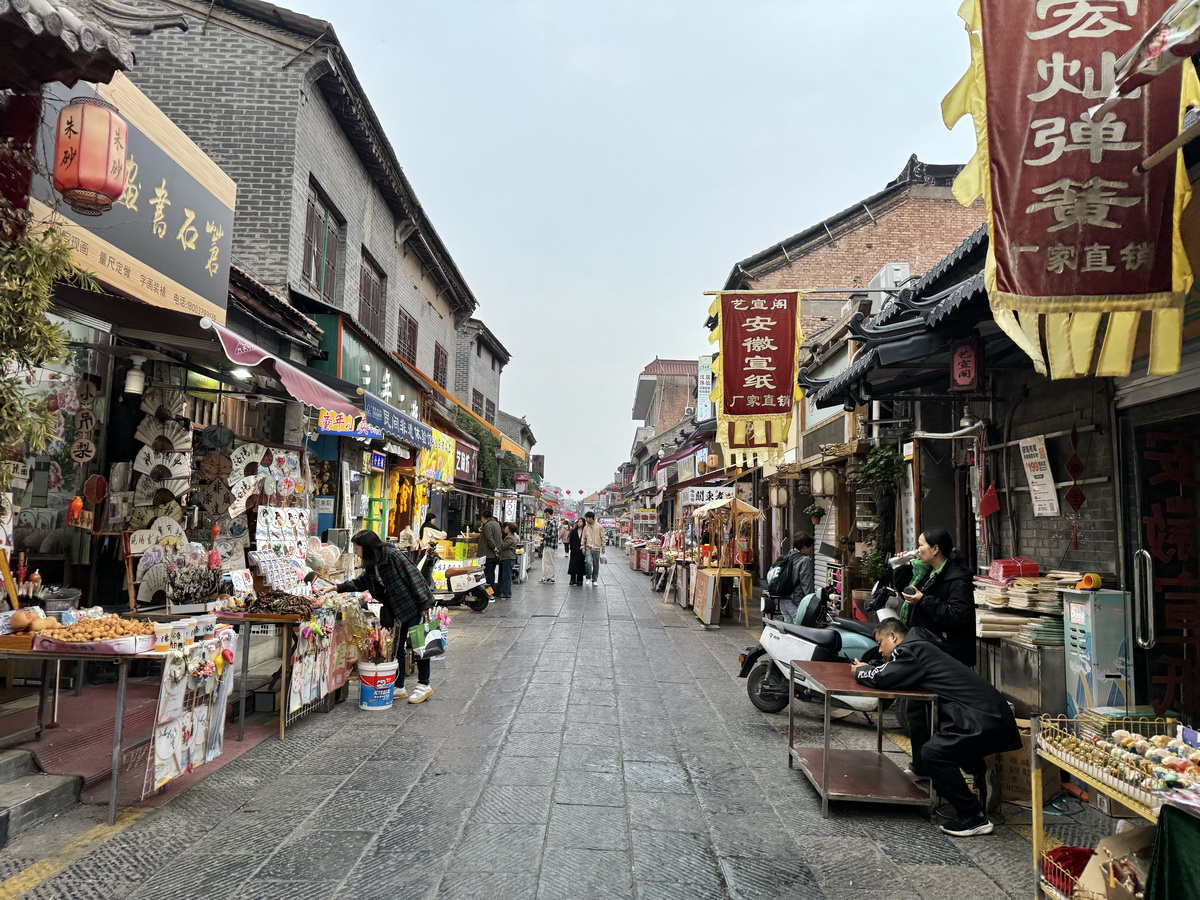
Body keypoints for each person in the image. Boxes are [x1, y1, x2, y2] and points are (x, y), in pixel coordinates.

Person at [852, 619, 1021, 836]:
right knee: (938, 742)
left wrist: (860, 672)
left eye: (880, 642)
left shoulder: (910, 649)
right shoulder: (920, 646)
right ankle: (976, 768)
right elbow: (892, 670)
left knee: (934, 753)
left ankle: (973, 816)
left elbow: (885, 678)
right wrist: (871, 667)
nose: (879, 649)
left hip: (981, 718)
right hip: (987, 713)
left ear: (893, 637)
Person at [335, 530, 435, 704]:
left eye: (357, 548)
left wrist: (423, 603)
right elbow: (362, 582)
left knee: (419, 645)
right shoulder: (373, 563)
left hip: (413, 604)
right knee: (397, 648)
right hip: (396, 608)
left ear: (366, 547)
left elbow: (414, 576)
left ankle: (424, 685)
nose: (356, 552)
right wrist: (337, 588)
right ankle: (399, 686)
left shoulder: (392, 555)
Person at [778, 534, 816, 623]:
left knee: (788, 628)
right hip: (795, 602)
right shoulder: (805, 560)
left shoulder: (787, 556)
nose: (811, 550)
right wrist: (811, 602)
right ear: (804, 547)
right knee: (800, 629)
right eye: (810, 547)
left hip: (783, 601)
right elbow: (806, 584)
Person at [479, 509, 503, 592]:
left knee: (488, 576)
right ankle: (492, 592)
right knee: (491, 574)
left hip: (488, 554)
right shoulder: (496, 524)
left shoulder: (488, 525)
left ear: (483, 518)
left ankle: (489, 593)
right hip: (494, 555)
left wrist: (494, 548)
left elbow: (489, 539)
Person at [581, 511, 605, 585]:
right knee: (588, 562)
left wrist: (603, 546)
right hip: (588, 547)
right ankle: (588, 577)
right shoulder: (586, 527)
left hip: (596, 548)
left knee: (596, 565)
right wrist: (583, 547)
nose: (586, 520)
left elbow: (602, 537)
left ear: (591, 518)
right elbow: (583, 538)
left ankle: (594, 579)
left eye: (587, 518)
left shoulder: (599, 527)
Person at [498, 522, 519, 599]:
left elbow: (503, 546)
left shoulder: (510, 538)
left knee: (506, 577)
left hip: (508, 558)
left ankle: (506, 594)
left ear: (509, 529)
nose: (505, 528)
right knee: (504, 576)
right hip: (506, 558)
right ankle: (503, 592)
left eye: (506, 527)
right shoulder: (510, 537)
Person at [540, 509, 558, 584]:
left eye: (545, 513)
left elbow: (552, 535)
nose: (545, 515)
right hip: (548, 545)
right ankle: (546, 577)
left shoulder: (552, 522)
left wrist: (543, 535)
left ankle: (550, 578)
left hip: (550, 545)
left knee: (549, 562)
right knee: (545, 562)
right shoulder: (550, 522)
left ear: (547, 513)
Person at [566, 519, 586, 586]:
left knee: (581, 564)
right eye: (578, 522)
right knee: (573, 564)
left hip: (582, 550)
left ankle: (580, 580)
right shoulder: (573, 531)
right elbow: (570, 540)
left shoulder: (585, 531)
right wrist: (571, 547)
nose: (579, 523)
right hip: (574, 550)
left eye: (581, 522)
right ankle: (572, 579)